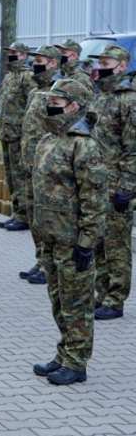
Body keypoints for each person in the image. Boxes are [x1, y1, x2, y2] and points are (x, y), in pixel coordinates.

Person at [32, 79, 106, 385]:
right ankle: (64, 353)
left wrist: (87, 242)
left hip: (73, 239)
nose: (49, 105)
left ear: (74, 106)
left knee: (77, 303)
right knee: (58, 299)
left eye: (57, 102)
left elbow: (95, 199)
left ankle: (77, 362)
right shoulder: (49, 139)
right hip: (49, 235)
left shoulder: (84, 144)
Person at [88, 44, 136, 320]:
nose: (101, 65)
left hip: (116, 183)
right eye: (100, 61)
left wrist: (127, 187)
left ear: (121, 65)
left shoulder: (127, 99)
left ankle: (115, 298)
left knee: (116, 244)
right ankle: (101, 292)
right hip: (96, 182)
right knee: (98, 241)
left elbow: (133, 148)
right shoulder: (100, 96)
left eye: (107, 61)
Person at [20, 46, 64, 285]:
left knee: (48, 218)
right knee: (34, 215)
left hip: (48, 166)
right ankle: (41, 260)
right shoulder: (36, 90)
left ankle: (51, 264)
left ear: (54, 64)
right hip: (30, 163)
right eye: (34, 60)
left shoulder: (60, 91)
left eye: (40, 61)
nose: (35, 65)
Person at [0, 43, 35, 231]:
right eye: (9, 52)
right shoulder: (9, 76)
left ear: (24, 55)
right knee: (11, 176)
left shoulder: (27, 77)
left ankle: (24, 216)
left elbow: (31, 106)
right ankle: (16, 211)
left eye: (14, 53)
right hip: (6, 133)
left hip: (19, 134)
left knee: (20, 176)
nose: (10, 55)